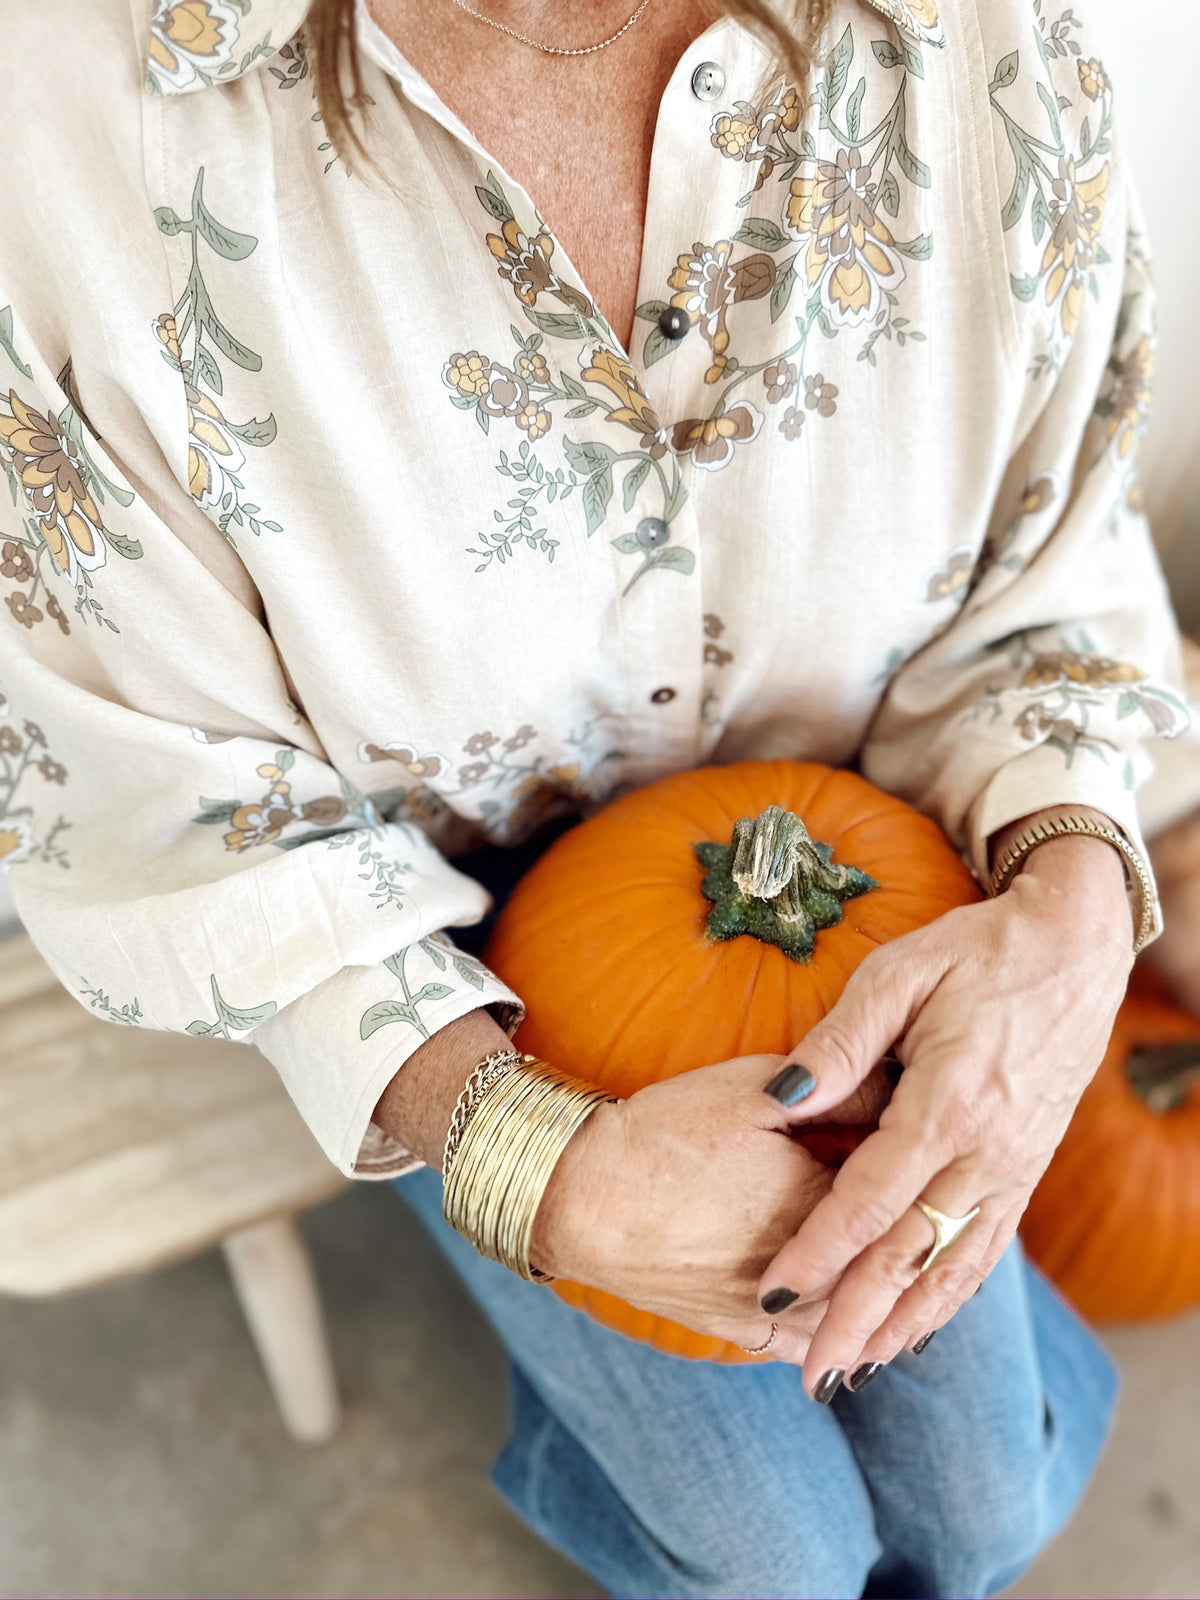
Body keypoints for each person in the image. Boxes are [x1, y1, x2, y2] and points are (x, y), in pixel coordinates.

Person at [0, 0, 1188, 1593]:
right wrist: (513, 1155)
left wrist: (1072, 907)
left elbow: (1045, 563)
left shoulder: (992, 40)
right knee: (776, 1557)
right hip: (435, 941)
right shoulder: (71, 135)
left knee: (986, 1508)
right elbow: (173, 804)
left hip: (857, 867)